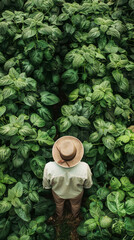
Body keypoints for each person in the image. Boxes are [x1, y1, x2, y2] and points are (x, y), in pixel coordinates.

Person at [42, 136, 93, 220]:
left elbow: (46, 185)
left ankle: (59, 216)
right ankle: (75, 217)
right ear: (76, 154)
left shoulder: (49, 167)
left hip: (58, 193)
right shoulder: (84, 167)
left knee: (59, 204)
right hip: (76, 193)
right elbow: (88, 185)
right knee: (76, 205)